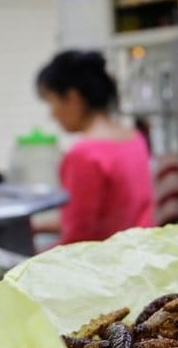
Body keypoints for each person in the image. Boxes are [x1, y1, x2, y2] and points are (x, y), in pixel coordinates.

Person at [36, 50, 155, 244]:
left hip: (107, 266)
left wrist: (24, 265)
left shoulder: (84, 155)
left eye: (52, 103)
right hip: (141, 254)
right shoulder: (134, 138)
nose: (52, 115)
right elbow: (112, 216)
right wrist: (37, 227)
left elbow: (78, 237)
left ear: (73, 98)